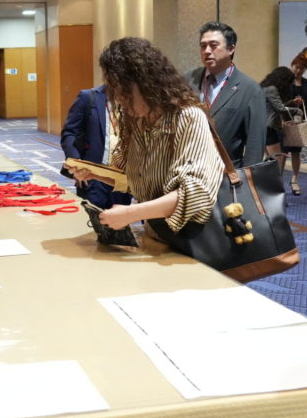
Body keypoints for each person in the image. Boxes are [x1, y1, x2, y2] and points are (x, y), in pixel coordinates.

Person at [71, 37, 224, 248]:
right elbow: (134, 180)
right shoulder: (137, 121)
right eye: (114, 91)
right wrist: (94, 173)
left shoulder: (188, 117)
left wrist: (130, 213)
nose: (118, 98)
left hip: (192, 241)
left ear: (146, 83)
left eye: (123, 90)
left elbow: (195, 196)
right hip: (157, 234)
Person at [187, 21, 266, 167]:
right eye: (203, 46)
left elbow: (255, 146)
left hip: (225, 174)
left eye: (213, 45)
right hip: (186, 171)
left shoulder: (250, 90)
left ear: (231, 49)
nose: (207, 51)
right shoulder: (187, 81)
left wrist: (248, 178)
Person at [60, 84, 133, 209]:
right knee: (93, 216)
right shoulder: (88, 97)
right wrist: (77, 165)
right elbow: (70, 133)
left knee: (121, 217)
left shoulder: (133, 101)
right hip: (92, 176)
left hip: (123, 177)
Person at [286, 53, 307, 195]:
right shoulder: (284, 81)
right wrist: (292, 102)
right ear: (292, 66)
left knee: (296, 152)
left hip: (300, 122)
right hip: (284, 121)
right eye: (296, 67)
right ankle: (278, 182)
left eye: (302, 68)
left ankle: (294, 180)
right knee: (282, 153)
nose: (298, 70)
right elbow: (278, 101)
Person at [258, 66, 295, 169]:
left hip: (261, 127)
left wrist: (291, 102)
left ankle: (269, 179)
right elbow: (280, 108)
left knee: (269, 161)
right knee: (277, 162)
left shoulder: (264, 87)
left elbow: (274, 106)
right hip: (269, 128)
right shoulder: (272, 89)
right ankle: (275, 180)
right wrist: (297, 110)